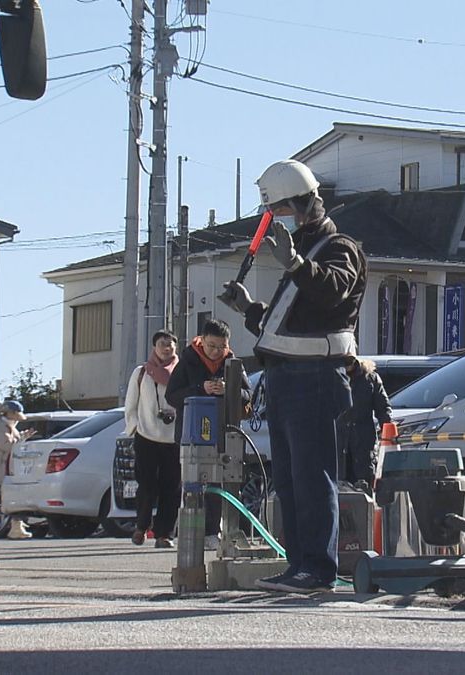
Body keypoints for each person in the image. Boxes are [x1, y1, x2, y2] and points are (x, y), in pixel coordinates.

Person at [220, 158, 367, 594]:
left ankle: (318, 569)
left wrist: (297, 264)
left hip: (316, 379)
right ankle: (299, 564)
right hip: (287, 380)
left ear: (302, 205)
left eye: (279, 211)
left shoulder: (338, 247)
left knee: (311, 476)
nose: (275, 223)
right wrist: (249, 309)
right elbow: (287, 325)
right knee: (288, 480)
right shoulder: (301, 254)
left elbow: (333, 289)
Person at [165, 319, 248, 552]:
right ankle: (188, 531)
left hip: (223, 431)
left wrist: (229, 390)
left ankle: (213, 531)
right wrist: (201, 388)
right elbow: (172, 396)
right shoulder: (188, 360)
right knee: (192, 482)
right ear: (201, 341)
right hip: (192, 432)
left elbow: (247, 396)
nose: (215, 352)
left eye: (221, 347)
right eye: (211, 346)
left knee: (217, 481)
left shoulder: (233, 363)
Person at [124, 329, 180, 549]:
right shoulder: (141, 372)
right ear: (154, 347)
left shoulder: (181, 372)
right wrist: (135, 428)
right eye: (161, 344)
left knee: (172, 488)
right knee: (146, 486)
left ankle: (164, 533)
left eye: (170, 344)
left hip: (173, 438)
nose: (166, 348)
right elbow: (131, 405)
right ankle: (141, 526)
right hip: (146, 436)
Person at [0, 400, 36, 540]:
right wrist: (22, 439)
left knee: (12, 496)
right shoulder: (1, 427)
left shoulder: (7, 425)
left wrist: (24, 436)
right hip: (1, 468)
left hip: (6, 467)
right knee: (13, 496)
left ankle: (16, 526)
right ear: (10, 413)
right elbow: (7, 446)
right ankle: (16, 527)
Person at [341, 357, 392, 491]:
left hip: (363, 446)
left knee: (365, 490)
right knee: (338, 491)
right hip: (338, 447)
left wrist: (389, 433)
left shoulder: (370, 378)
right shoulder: (332, 376)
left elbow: (383, 409)